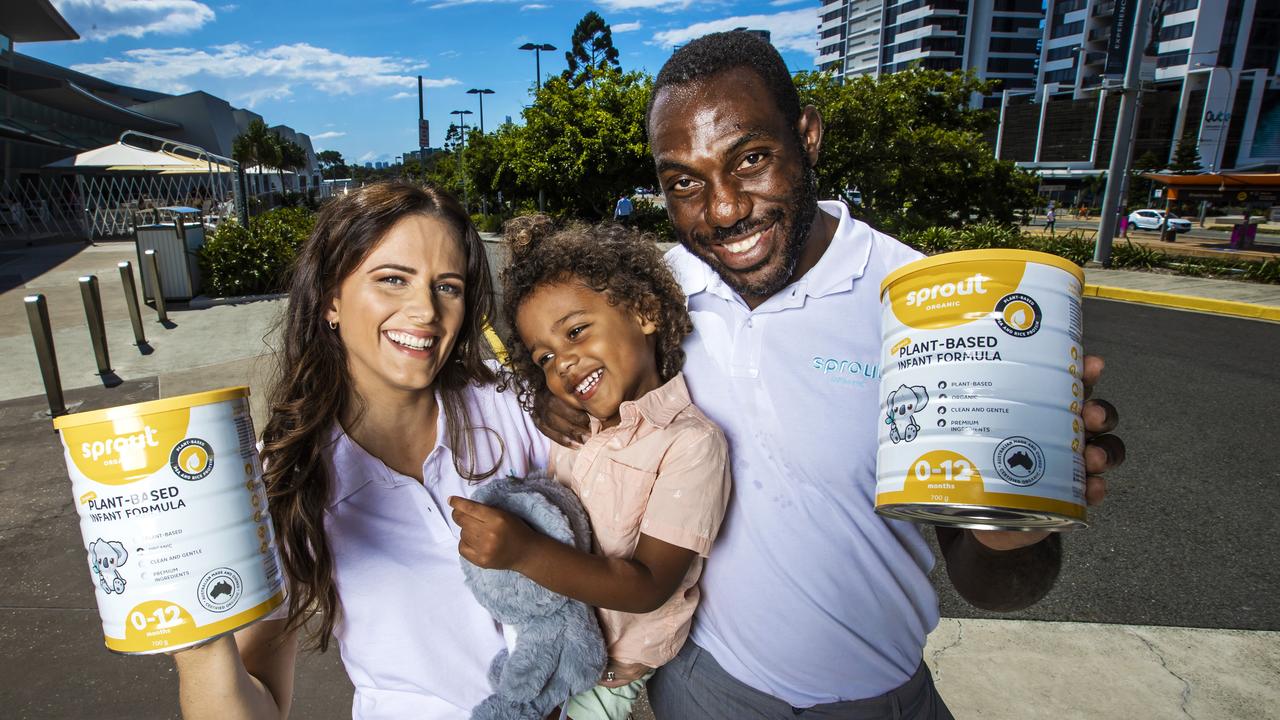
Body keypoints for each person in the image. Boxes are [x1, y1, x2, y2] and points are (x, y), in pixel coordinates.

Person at [537, 31, 1125, 720]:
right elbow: (567, 382)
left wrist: (1015, 519)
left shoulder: (922, 306)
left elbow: (997, 585)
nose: (723, 209)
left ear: (808, 137)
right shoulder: (653, 298)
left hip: (878, 701)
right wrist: (564, 407)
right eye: (684, 184)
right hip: (701, 689)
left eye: (751, 159)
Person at [170, 182, 552, 719]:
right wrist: (195, 631)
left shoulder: (513, 405)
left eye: (447, 287)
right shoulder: (281, 474)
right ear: (331, 299)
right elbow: (257, 704)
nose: (424, 310)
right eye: (392, 280)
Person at [450, 215, 732, 720]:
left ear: (644, 311)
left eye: (577, 332)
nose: (563, 362)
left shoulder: (689, 446)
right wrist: (544, 398)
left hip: (609, 667)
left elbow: (647, 586)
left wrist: (523, 552)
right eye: (544, 358)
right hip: (551, 639)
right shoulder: (577, 425)